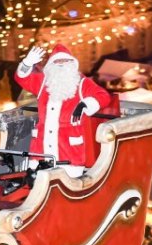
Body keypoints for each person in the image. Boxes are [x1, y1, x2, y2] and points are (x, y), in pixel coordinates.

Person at [15, 44, 112, 172]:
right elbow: (22, 79)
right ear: (51, 65)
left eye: (65, 60)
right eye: (57, 61)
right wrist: (27, 63)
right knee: (39, 185)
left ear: (72, 63)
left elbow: (104, 96)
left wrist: (85, 104)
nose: (61, 64)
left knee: (67, 188)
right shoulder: (43, 83)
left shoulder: (82, 83)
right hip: (41, 151)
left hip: (69, 152)